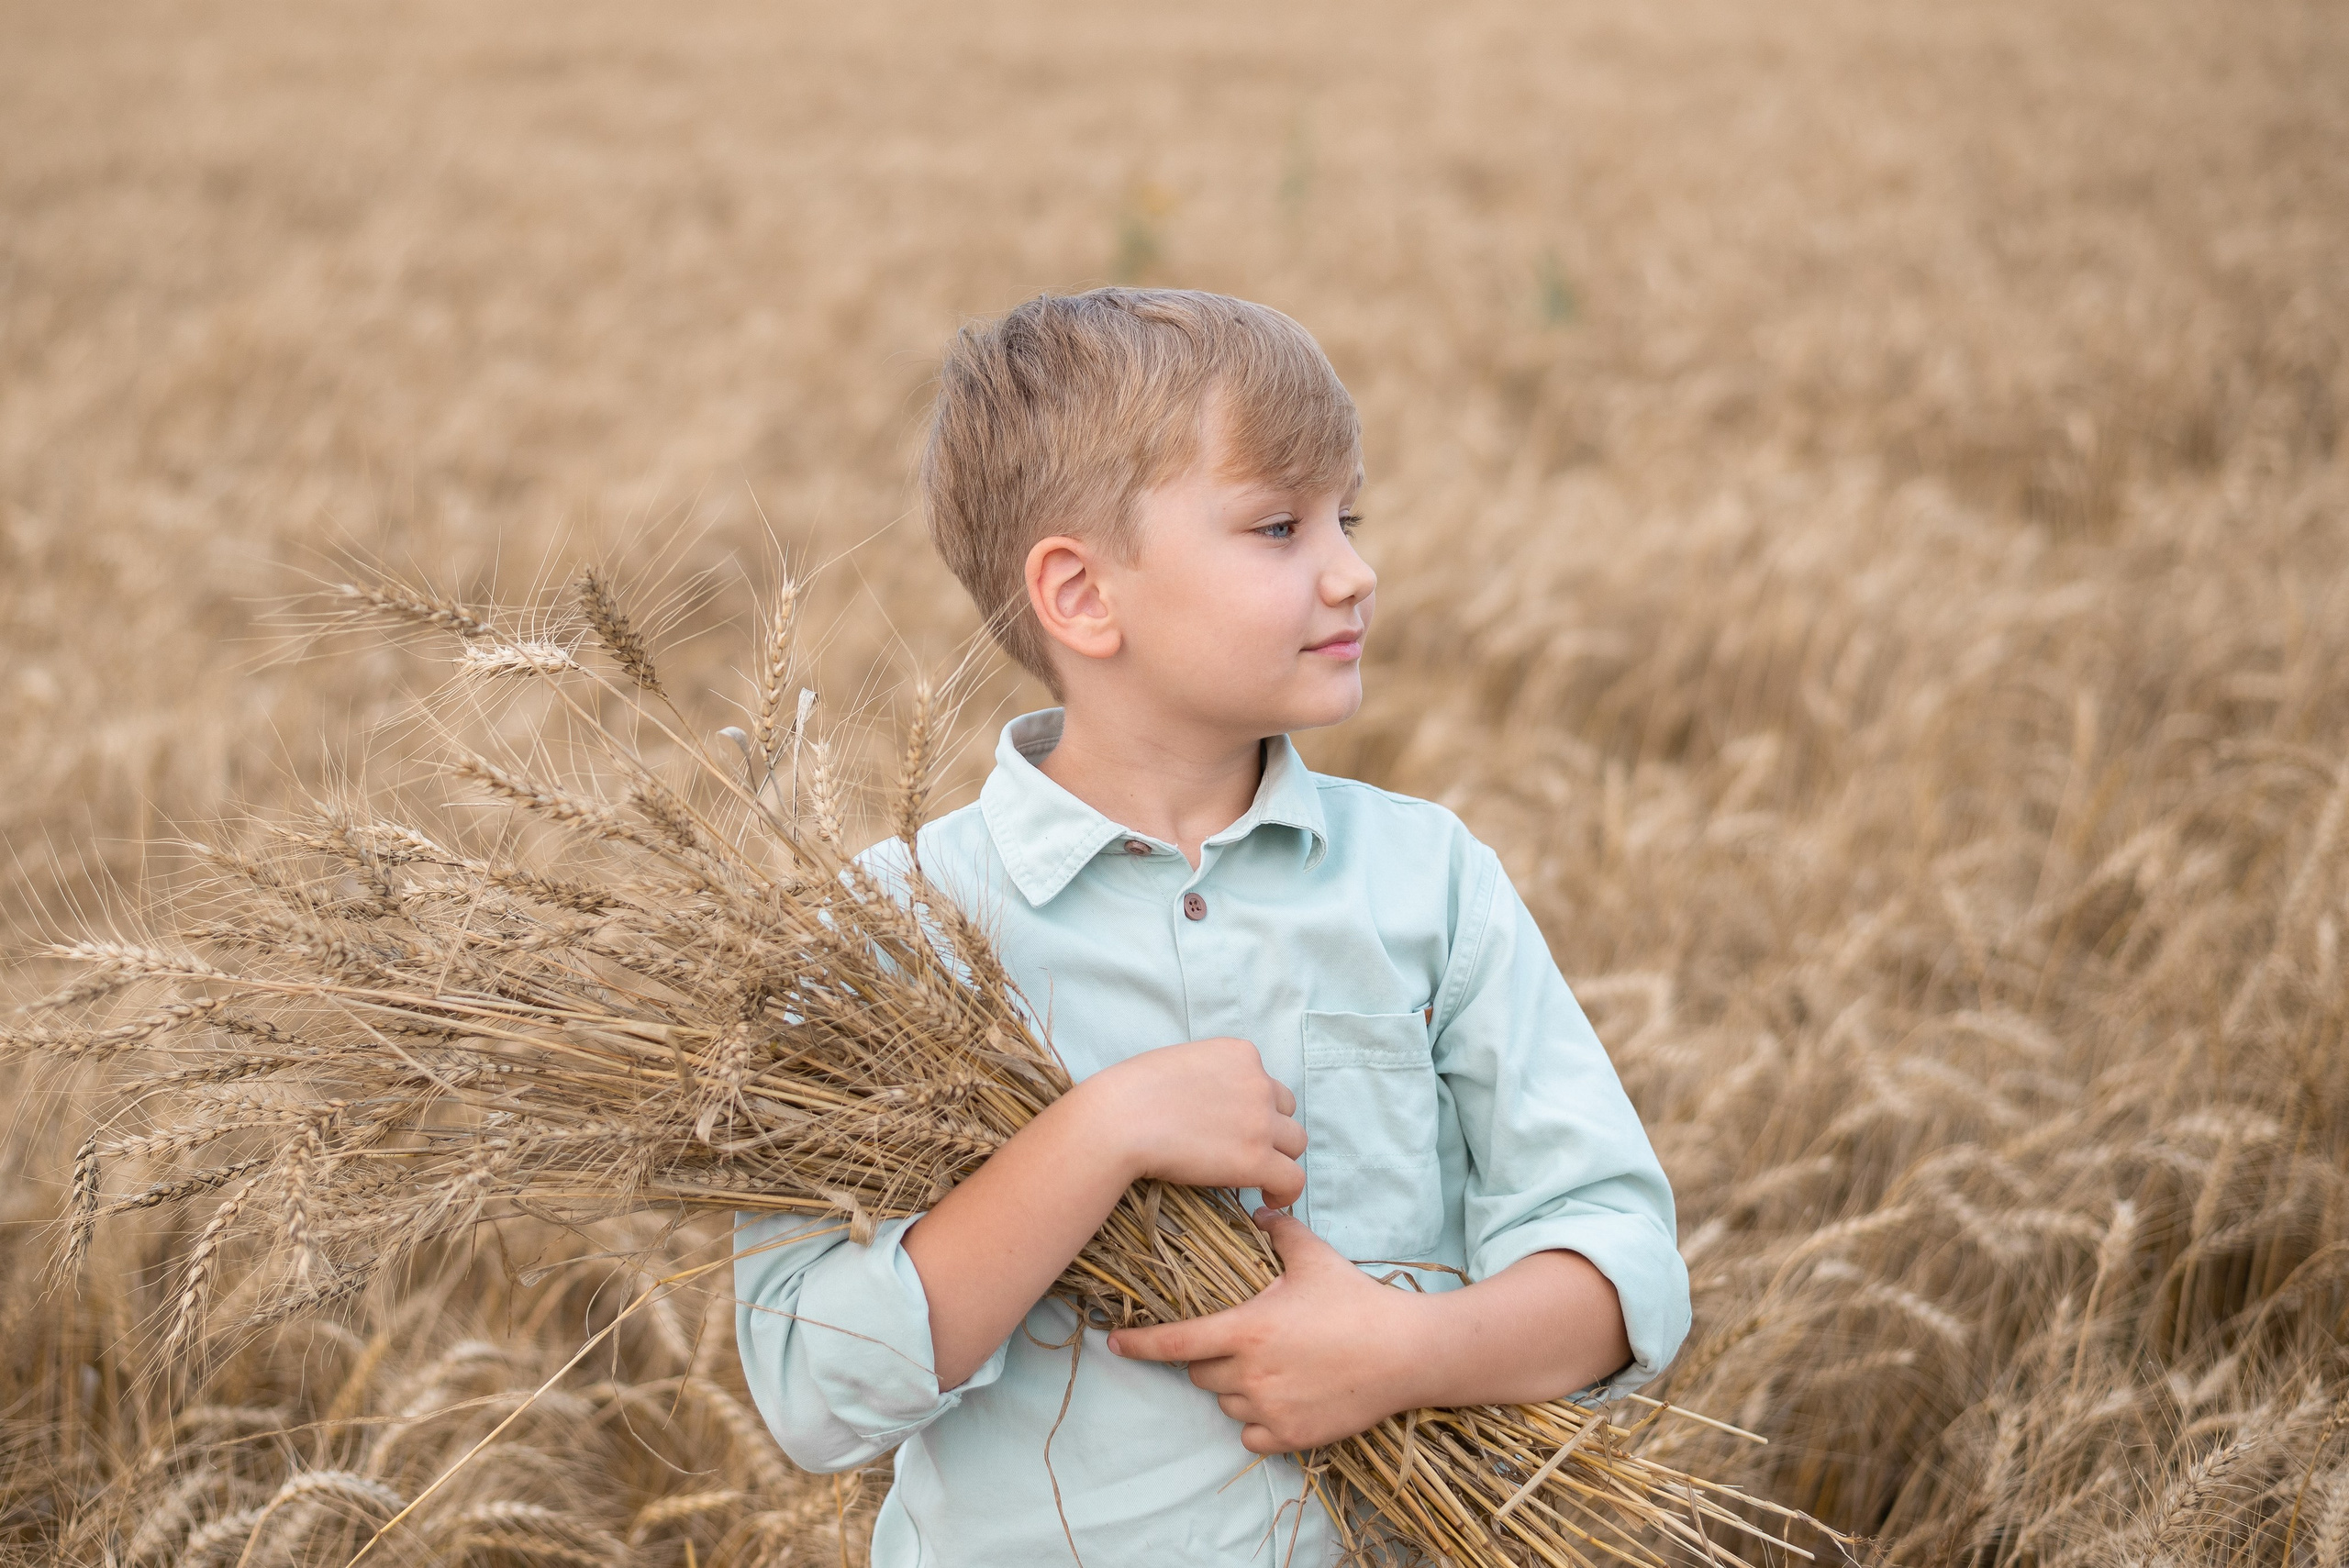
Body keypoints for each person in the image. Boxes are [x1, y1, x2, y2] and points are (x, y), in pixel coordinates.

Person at [735, 288, 1689, 1565]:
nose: (1353, 569)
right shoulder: (886, 938)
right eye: (1280, 525)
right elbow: (813, 1386)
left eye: (1349, 516)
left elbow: (1623, 1267)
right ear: (1080, 594)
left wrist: (1406, 1355)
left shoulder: (1430, 882)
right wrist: (1100, 1133)